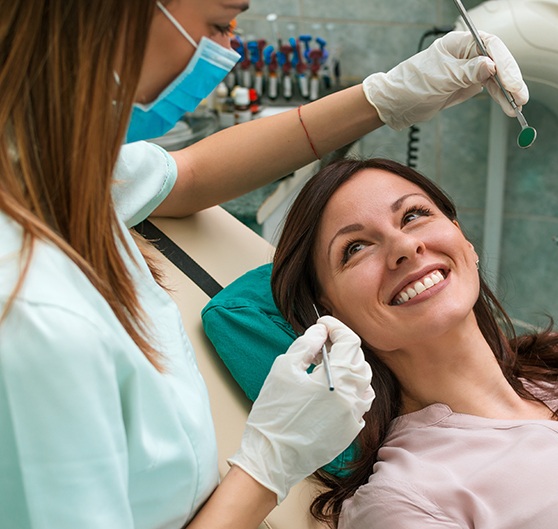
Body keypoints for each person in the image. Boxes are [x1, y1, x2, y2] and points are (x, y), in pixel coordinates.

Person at [0, 0, 529, 528]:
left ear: (464, 237)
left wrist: (381, 97)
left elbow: (188, 176)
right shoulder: (35, 318)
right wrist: (266, 465)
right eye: (218, 25)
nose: (229, 49)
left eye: (415, 215)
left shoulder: (54, 175)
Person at [271, 157, 558, 529]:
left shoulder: (550, 359)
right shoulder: (405, 500)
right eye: (355, 248)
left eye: (412, 216)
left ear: (464, 241)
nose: (404, 246)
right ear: (332, 315)